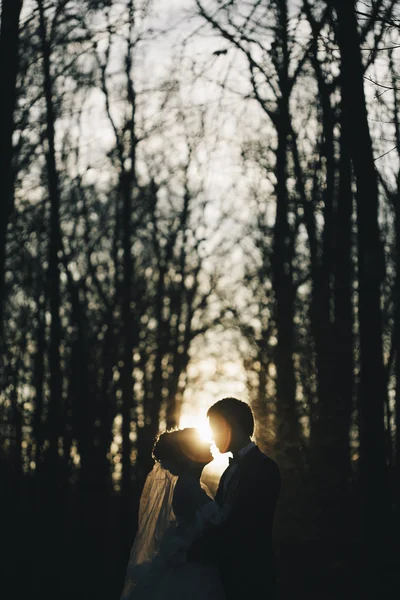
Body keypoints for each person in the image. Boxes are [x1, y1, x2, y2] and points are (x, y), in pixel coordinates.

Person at [188, 397, 281, 600]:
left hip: (252, 577)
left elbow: (247, 523)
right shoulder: (228, 470)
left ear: (233, 425)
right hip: (226, 575)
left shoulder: (265, 468)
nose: (212, 437)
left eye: (216, 429)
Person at [120, 428, 225, 600]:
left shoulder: (192, 484)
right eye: (200, 443)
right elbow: (191, 535)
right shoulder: (187, 488)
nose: (209, 443)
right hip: (194, 575)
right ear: (189, 455)